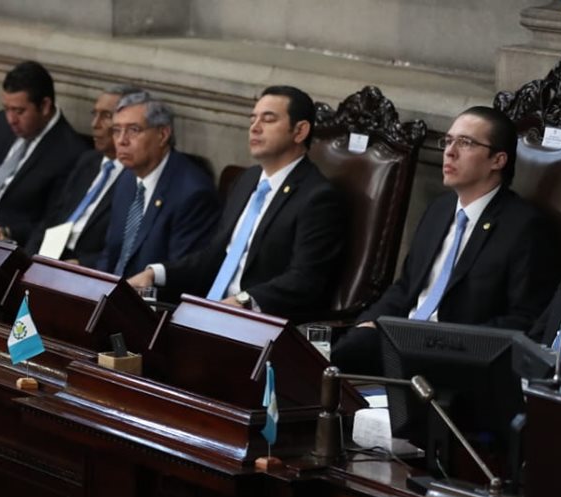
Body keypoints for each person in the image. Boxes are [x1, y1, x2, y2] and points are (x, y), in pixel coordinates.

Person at [332, 107, 559, 375]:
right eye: (448, 141)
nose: (450, 152)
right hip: (401, 341)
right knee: (331, 358)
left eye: (466, 143)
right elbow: (406, 287)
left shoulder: (524, 227)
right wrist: (369, 322)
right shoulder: (440, 209)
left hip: (457, 358)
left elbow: (524, 319)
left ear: (498, 160)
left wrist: (447, 341)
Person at [128, 85, 345, 321]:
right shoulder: (247, 179)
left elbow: (305, 280)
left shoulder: (317, 197)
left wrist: (244, 301)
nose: (255, 128)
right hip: (209, 311)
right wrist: (156, 274)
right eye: (252, 119)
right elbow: (214, 256)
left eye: (268, 119)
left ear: (300, 131)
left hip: (256, 321)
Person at [0, 60, 87, 245]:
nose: (11, 119)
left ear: (45, 106)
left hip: (7, 248)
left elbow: (52, 223)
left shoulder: (71, 153)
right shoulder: (1, 123)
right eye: (7, 109)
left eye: (19, 111)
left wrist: (4, 233)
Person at [101, 92, 219, 277]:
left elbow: (180, 273)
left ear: (163, 135)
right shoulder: (126, 178)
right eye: (116, 130)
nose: (122, 140)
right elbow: (111, 253)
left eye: (133, 130)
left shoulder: (193, 193)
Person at [24, 85, 136, 267]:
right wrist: (25, 261)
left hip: (82, 265)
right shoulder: (88, 160)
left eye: (106, 116)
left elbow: (124, 248)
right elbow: (53, 217)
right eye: (94, 114)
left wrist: (83, 264)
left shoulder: (135, 177)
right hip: (50, 254)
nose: (95, 124)